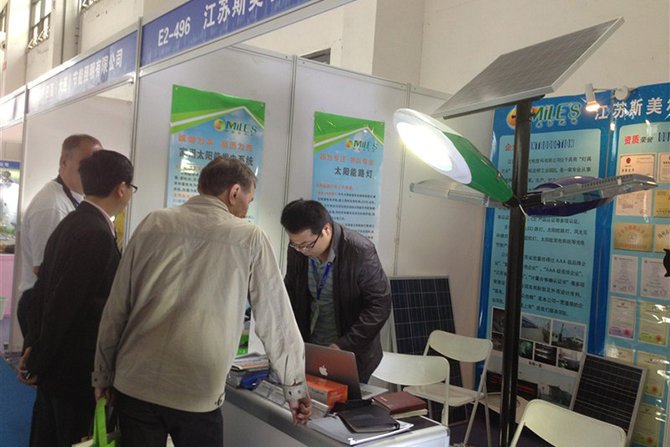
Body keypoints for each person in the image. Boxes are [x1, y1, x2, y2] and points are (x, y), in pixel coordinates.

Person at [93, 157, 311, 447]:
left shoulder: (153, 222)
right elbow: (277, 321)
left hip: (135, 384)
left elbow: (116, 307)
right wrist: (294, 387)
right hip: (196, 391)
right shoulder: (250, 237)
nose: (246, 210)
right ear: (234, 192)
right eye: (248, 200)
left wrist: (102, 374)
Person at [19, 150, 135, 447]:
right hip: (73, 367)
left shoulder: (72, 222)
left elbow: (41, 291)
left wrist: (34, 346)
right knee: (70, 435)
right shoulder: (96, 233)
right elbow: (65, 305)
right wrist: (39, 360)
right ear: (121, 188)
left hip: (57, 363)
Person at [281, 199, 392, 383]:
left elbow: (380, 305)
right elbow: (291, 289)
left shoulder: (360, 251)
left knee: (344, 399)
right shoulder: (298, 250)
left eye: (307, 245)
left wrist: (344, 345)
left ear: (326, 229)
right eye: (296, 245)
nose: (302, 250)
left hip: (349, 351)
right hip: (310, 346)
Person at [17, 134, 102, 339]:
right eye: (86, 163)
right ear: (64, 161)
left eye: (97, 164)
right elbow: (45, 270)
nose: (93, 171)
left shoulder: (72, 199)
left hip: (52, 302)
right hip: (43, 304)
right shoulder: (52, 206)